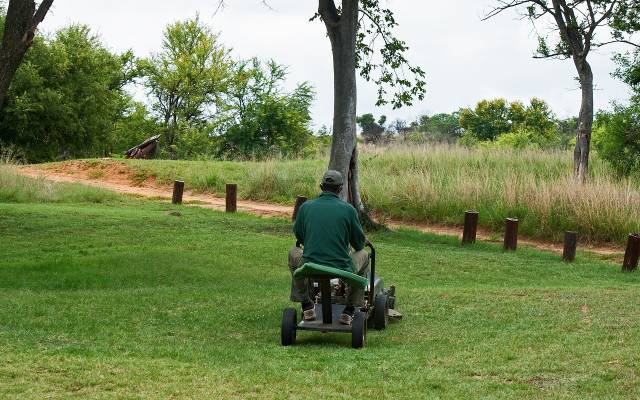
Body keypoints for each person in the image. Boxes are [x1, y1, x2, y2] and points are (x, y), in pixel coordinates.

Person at [288, 170, 369, 326]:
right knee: (364, 255)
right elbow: (359, 244)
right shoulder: (349, 210)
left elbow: (299, 236)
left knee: (293, 253)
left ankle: (306, 303)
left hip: (310, 266)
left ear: (321, 186)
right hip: (341, 268)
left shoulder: (305, 207)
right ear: (340, 189)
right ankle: (350, 309)